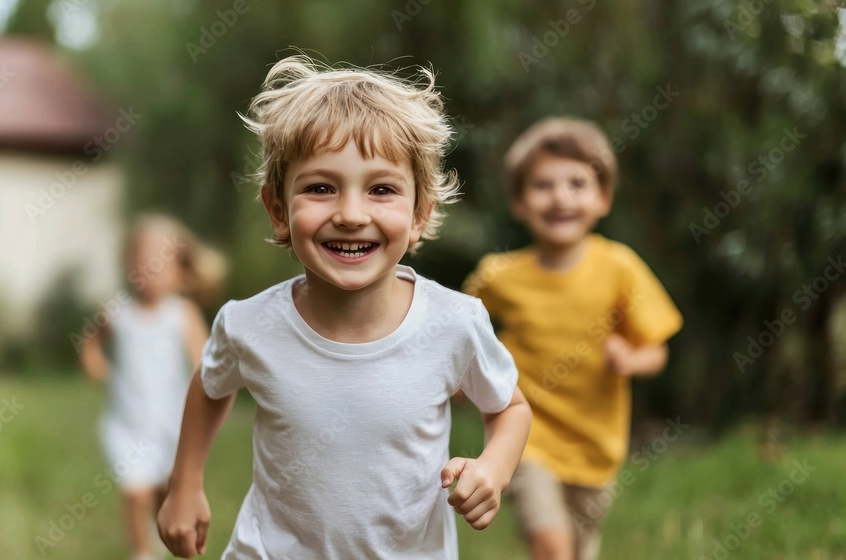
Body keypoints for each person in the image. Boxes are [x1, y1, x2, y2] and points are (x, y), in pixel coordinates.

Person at [156, 54, 532, 559]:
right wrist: (184, 485)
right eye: (320, 188)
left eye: (381, 189)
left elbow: (509, 406)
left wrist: (494, 468)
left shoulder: (453, 324)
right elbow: (210, 384)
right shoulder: (248, 326)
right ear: (278, 210)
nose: (351, 214)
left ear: (419, 214)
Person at [463, 118, 683, 560]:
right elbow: (455, 332)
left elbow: (657, 352)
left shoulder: (620, 268)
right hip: (526, 433)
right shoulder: (499, 277)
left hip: (596, 446)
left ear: (603, 198)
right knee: (550, 544)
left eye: (577, 183)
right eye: (543, 185)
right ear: (520, 203)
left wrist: (631, 357)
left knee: (579, 550)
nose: (561, 196)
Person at [80, 214, 226, 560]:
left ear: (179, 270)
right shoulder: (118, 311)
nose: (149, 267)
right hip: (126, 425)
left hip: (171, 426)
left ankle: (162, 543)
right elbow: (91, 341)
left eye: (160, 261)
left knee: (166, 494)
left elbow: (204, 360)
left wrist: (205, 380)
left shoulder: (182, 313)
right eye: (142, 259)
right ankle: (141, 552)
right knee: (135, 491)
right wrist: (95, 362)